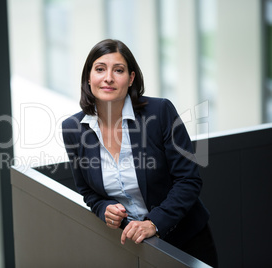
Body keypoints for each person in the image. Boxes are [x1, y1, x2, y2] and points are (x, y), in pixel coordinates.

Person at [62, 39, 218, 267]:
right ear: (88, 77)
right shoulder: (73, 129)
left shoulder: (161, 112)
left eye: (119, 70)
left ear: (131, 78)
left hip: (185, 241)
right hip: (129, 246)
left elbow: (188, 180)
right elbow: (88, 192)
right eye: (100, 69)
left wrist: (153, 223)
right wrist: (104, 208)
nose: (108, 78)